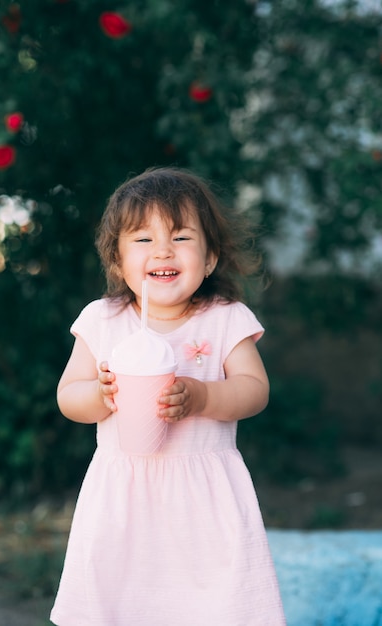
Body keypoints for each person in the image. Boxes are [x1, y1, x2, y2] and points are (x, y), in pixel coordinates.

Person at [50, 167, 286, 625]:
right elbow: (67, 396)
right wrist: (101, 395)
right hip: (121, 498)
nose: (162, 250)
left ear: (211, 258)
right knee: (121, 602)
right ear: (118, 262)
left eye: (181, 238)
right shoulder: (103, 319)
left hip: (205, 499)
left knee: (214, 606)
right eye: (142, 240)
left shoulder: (225, 318)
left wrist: (202, 398)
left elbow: (255, 391)